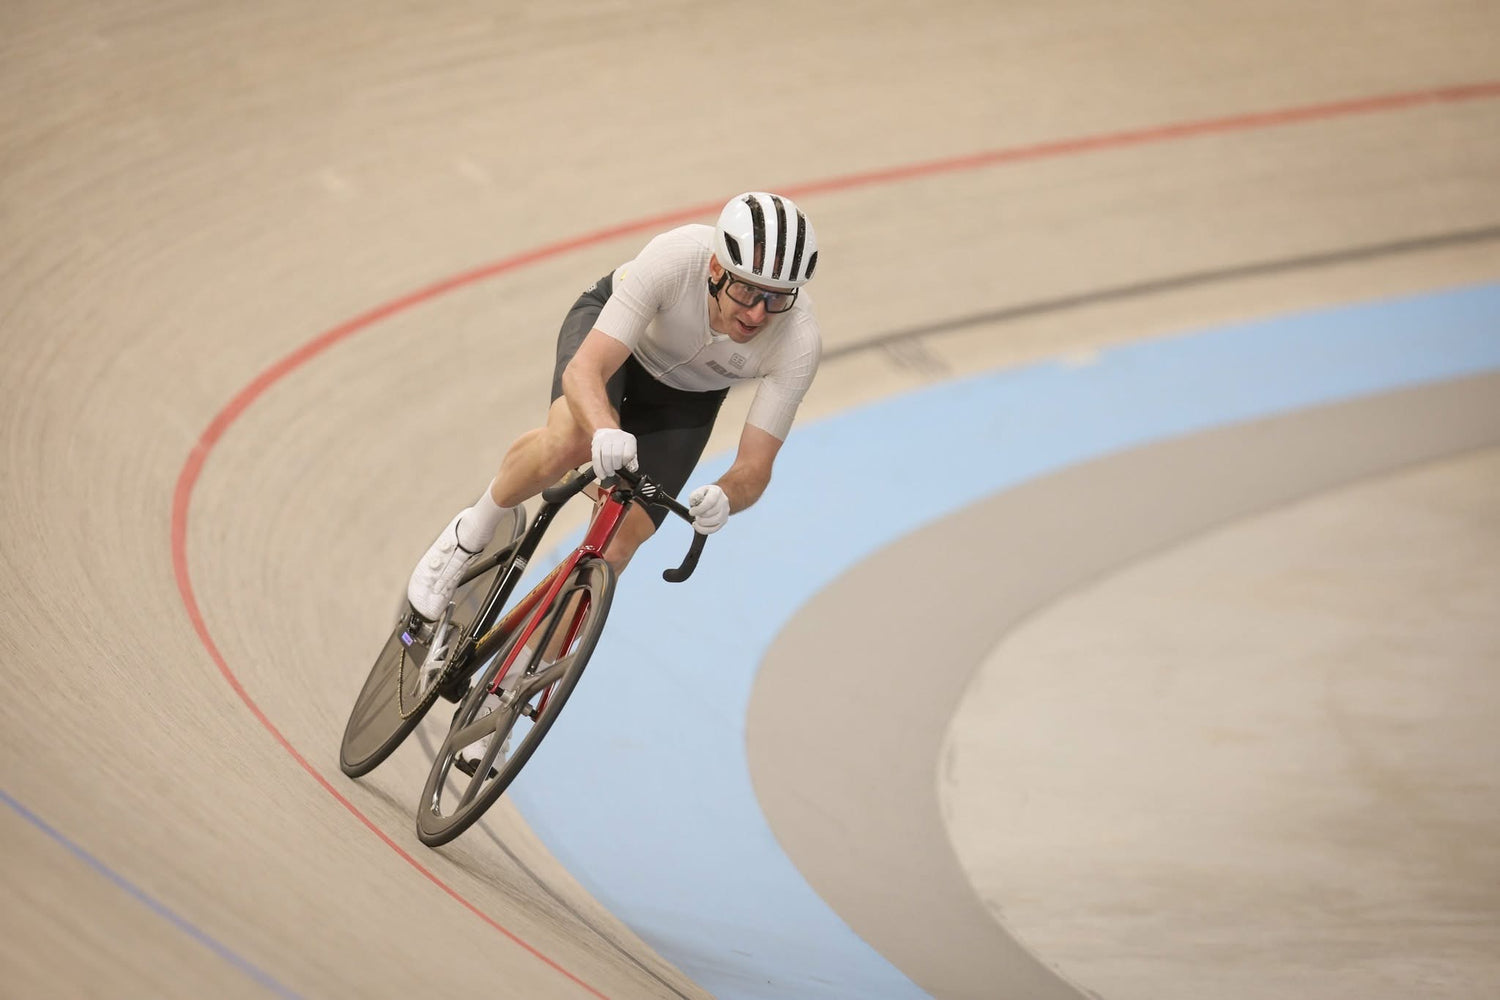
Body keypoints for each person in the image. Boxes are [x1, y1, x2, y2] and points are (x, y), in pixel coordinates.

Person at [405, 192, 823, 769]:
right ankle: (468, 534)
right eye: (748, 292)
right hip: (613, 349)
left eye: (777, 298)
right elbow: (587, 369)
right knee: (570, 440)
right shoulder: (674, 258)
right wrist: (604, 428)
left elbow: (755, 467)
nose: (758, 314)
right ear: (715, 269)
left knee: (618, 545)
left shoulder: (798, 341)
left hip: (684, 403)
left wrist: (726, 497)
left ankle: (504, 693)